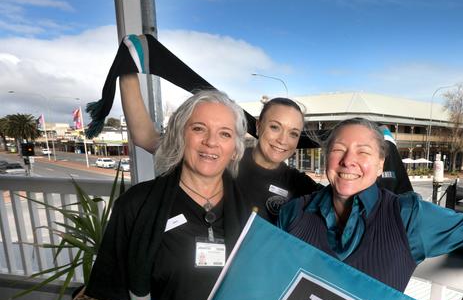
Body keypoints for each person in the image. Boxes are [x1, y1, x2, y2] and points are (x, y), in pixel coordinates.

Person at [278, 117, 463, 300]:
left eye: (363, 152)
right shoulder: (294, 213)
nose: (348, 160)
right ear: (326, 157)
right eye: (338, 149)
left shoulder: (406, 215)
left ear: (381, 165)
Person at [85, 89, 249, 300]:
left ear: (235, 149)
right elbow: (113, 294)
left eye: (225, 133)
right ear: (180, 134)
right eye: (199, 128)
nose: (211, 142)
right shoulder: (136, 205)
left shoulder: (249, 210)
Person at [120, 74, 321, 222]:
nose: (282, 140)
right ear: (259, 126)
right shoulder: (221, 157)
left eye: (293, 133)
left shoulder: (300, 185)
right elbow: (144, 136)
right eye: (275, 127)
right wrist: (127, 71)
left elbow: (345, 205)